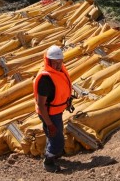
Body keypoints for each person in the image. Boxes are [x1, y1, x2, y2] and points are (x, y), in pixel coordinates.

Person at [33, 45, 72, 173]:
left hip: (56, 111)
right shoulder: (45, 79)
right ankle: (48, 162)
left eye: (60, 62)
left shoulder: (58, 71)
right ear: (48, 61)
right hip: (49, 114)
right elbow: (41, 105)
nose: (58, 66)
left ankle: (51, 152)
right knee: (57, 140)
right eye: (55, 63)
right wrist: (49, 124)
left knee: (54, 136)